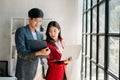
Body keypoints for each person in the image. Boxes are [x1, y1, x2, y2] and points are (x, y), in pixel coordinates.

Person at [15, 8, 50, 80]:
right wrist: (39, 52)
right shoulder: (21, 31)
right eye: (35, 20)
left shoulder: (40, 35)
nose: (38, 23)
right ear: (29, 19)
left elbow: (40, 53)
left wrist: (46, 52)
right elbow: (21, 53)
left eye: (40, 21)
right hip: (26, 71)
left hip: (39, 69)